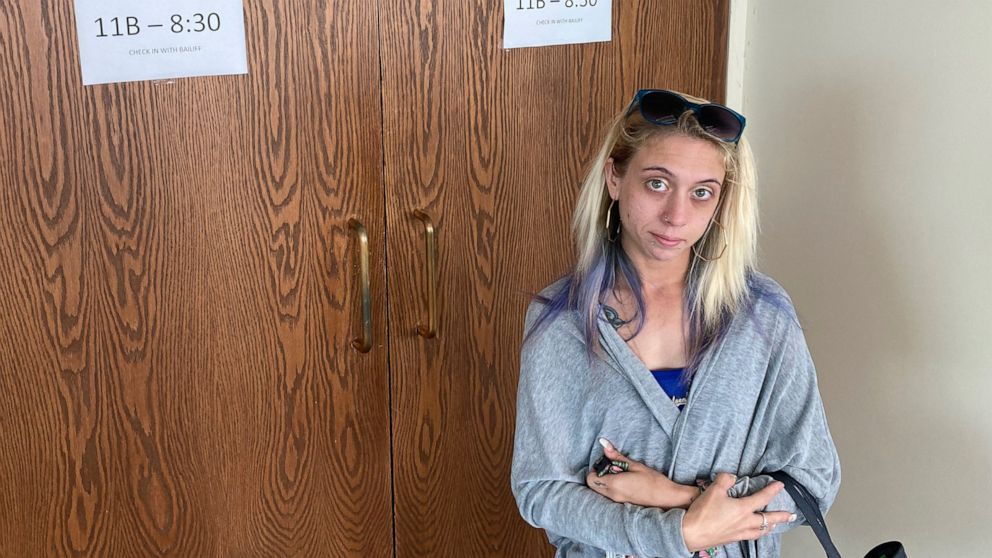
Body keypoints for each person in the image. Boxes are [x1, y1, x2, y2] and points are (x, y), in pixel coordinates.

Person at [510, 89, 841, 558]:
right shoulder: (562, 320)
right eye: (657, 184)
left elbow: (814, 480)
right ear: (614, 177)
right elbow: (541, 490)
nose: (676, 216)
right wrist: (678, 532)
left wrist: (674, 498)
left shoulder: (762, 317)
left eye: (701, 192)